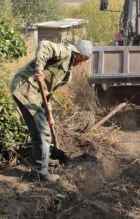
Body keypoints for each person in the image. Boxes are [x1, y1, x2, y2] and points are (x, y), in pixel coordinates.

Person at [11, 39, 93, 181]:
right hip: (25, 89)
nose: (80, 64)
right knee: (42, 131)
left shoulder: (67, 72)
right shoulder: (65, 52)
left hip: (35, 95)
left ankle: (43, 160)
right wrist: (39, 69)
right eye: (82, 61)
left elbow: (47, 93)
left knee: (43, 128)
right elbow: (44, 45)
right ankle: (40, 173)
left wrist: (49, 113)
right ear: (80, 56)